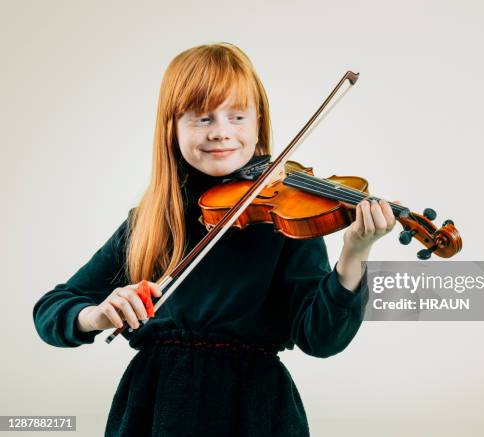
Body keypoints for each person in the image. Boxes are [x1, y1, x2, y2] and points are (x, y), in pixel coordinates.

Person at [33, 42, 396, 436]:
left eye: (237, 116)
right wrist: (97, 315)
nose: (221, 132)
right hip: (156, 407)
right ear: (171, 129)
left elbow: (322, 339)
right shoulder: (152, 221)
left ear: (259, 122)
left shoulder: (286, 216)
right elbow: (52, 309)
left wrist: (355, 252)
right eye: (201, 119)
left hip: (254, 410)